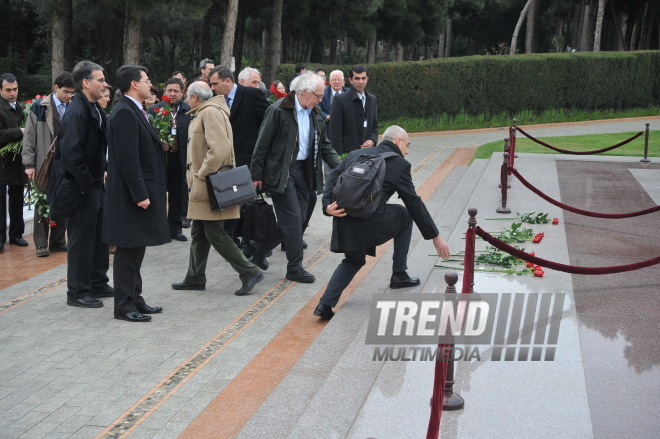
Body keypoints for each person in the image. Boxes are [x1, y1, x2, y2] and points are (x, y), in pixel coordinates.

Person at [314, 126, 451, 320]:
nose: (408, 151)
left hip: (344, 217)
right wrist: (435, 237)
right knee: (404, 214)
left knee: (353, 260)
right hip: (369, 218)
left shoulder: (356, 154)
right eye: (407, 145)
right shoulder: (399, 164)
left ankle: (324, 305)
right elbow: (413, 203)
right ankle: (399, 274)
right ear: (398, 141)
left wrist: (328, 205)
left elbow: (333, 176)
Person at [171, 81, 263, 296]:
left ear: (194, 97)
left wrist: (202, 173)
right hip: (208, 185)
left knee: (214, 232)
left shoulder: (209, 113)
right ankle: (195, 277)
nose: (185, 100)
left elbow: (219, 149)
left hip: (210, 185)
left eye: (187, 96)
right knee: (199, 232)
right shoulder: (208, 111)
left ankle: (249, 271)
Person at [250, 72, 341, 283]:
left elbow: (325, 145)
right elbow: (262, 145)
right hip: (282, 173)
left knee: (295, 223)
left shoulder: (315, 112)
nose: (321, 100)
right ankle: (295, 267)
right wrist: (256, 175)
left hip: (306, 171)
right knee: (292, 220)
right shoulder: (278, 110)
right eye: (318, 95)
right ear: (304, 92)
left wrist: (341, 168)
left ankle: (259, 251)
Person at [104, 65, 170, 322]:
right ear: (134, 84)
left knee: (137, 249)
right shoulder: (124, 112)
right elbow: (127, 159)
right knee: (127, 251)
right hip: (130, 197)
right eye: (146, 80)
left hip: (138, 193)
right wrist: (140, 194)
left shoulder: (133, 109)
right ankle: (123, 306)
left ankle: (135, 298)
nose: (150, 84)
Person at [48, 60, 113, 307]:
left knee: (98, 236)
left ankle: (97, 282)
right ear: (86, 83)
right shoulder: (77, 111)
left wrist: (103, 171)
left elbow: (98, 147)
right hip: (81, 186)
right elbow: (71, 154)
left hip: (95, 183)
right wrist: (86, 184)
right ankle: (77, 292)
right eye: (100, 79)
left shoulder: (94, 107)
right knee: (81, 239)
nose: (104, 84)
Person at [208, 66, 270, 245]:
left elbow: (268, 124)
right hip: (223, 162)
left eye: (215, 83)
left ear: (228, 81)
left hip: (247, 160)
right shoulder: (215, 100)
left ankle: (250, 241)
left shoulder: (251, 95)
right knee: (227, 201)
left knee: (244, 203)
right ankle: (231, 239)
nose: (212, 87)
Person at [22, 71, 75, 257]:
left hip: (66, 163)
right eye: (66, 92)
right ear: (56, 88)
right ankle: (41, 244)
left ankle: (58, 241)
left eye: (72, 93)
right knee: (42, 202)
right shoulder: (40, 106)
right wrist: (29, 164)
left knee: (62, 200)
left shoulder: (73, 106)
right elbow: (29, 137)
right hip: (44, 162)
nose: (69, 96)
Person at [148, 77, 191, 240]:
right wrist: (159, 143)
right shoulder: (154, 110)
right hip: (160, 160)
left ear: (182, 93)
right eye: (169, 90)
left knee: (177, 195)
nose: (172, 94)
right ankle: (157, 229)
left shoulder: (188, 111)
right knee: (157, 195)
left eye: (176, 91)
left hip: (179, 159)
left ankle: (175, 228)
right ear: (164, 91)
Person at [0, 73, 28, 252]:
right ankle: (0, 237)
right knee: (1, 202)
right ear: (0, 90)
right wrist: (20, 131)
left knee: (18, 199)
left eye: (15, 89)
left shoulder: (20, 107)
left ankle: (16, 234)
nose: (13, 93)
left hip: (18, 163)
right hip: (2, 163)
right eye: (8, 90)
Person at [329, 65, 378, 155]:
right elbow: (335, 134)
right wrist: (340, 159)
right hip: (347, 156)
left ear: (367, 79)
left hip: (367, 155)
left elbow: (374, 126)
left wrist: (372, 140)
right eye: (357, 78)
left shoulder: (372, 99)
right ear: (350, 80)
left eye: (363, 78)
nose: (360, 82)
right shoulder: (340, 100)